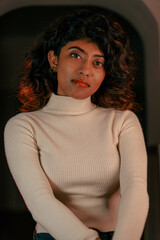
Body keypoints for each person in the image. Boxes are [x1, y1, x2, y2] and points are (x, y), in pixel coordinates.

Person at [4, 9, 149, 240]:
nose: (85, 70)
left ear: (105, 73)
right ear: (54, 59)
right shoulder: (23, 126)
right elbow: (38, 200)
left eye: (98, 62)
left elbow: (136, 189)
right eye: (75, 55)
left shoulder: (122, 121)